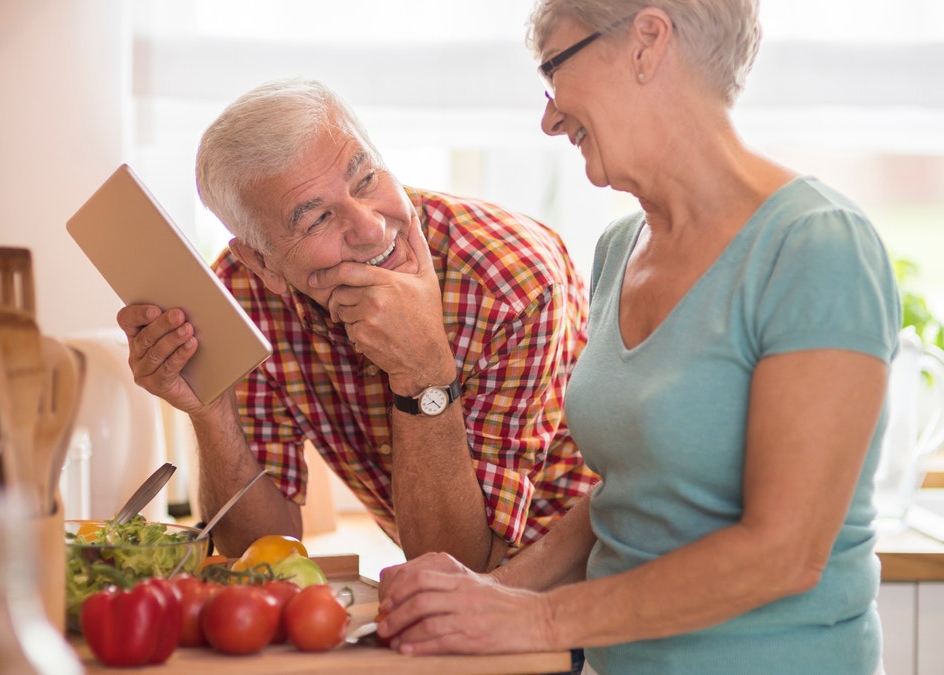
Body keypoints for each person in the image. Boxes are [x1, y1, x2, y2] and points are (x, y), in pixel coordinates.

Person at [374, 1, 900, 674]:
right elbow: (635, 489)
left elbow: (785, 552)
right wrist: (494, 590)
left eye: (555, 70)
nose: (549, 115)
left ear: (648, 42)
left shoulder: (815, 246)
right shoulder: (621, 248)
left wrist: (537, 617)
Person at [118, 77, 597, 572]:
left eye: (365, 179)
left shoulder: (513, 283)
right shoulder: (243, 293)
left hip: (584, 582)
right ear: (262, 263)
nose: (371, 228)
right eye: (317, 218)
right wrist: (211, 409)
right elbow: (260, 554)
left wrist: (424, 369)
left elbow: (463, 565)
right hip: (442, 597)